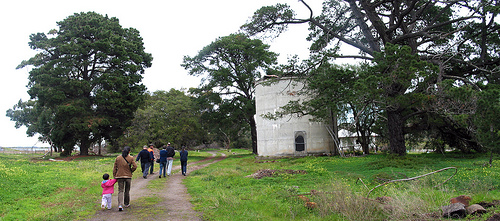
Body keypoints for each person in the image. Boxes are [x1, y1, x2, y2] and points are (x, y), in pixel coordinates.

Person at [113, 146, 137, 211]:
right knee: (127, 190)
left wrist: (114, 175)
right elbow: (135, 166)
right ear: (129, 151)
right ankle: (126, 203)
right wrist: (131, 170)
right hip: (128, 176)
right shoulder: (131, 158)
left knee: (120, 190)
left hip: (120, 176)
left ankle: (120, 204)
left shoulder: (118, 158)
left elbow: (115, 167)